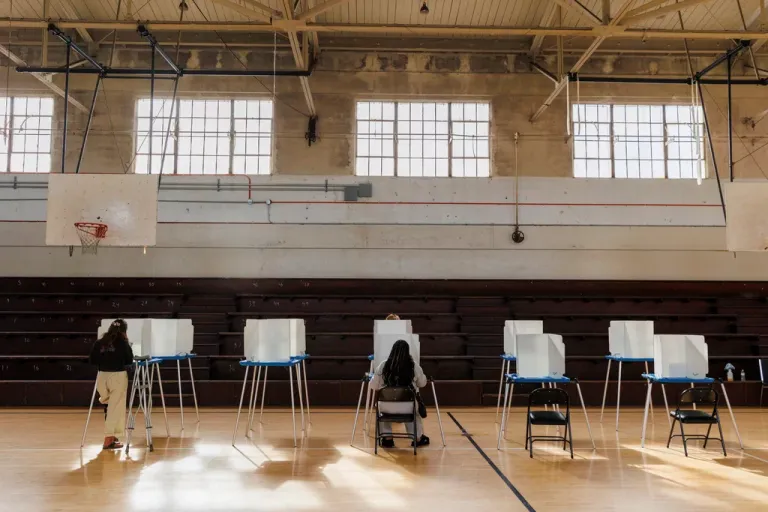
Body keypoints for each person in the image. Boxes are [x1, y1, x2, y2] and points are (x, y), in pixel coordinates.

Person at [370, 339, 430, 448]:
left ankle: (387, 439)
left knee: (382, 411)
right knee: (414, 411)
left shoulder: (383, 365)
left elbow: (373, 385)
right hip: (408, 406)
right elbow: (422, 383)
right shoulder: (414, 366)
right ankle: (417, 438)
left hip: (386, 407)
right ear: (408, 351)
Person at [89, 319, 134, 450]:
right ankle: (108, 439)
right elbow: (129, 360)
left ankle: (113, 437)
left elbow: (92, 360)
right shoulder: (123, 343)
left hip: (102, 376)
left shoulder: (100, 342)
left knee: (108, 406)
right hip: (117, 376)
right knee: (116, 408)